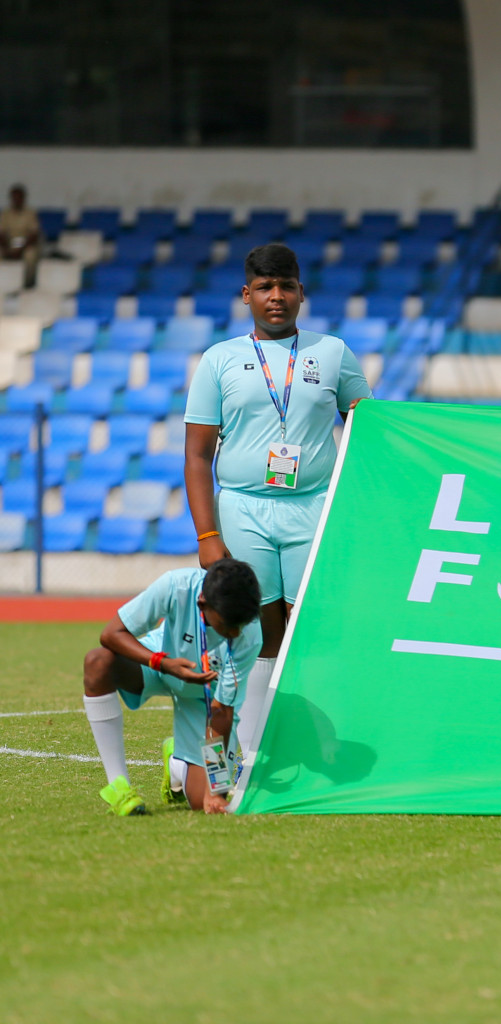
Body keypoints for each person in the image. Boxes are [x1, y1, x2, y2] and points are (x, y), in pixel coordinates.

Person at [183, 243, 372, 765]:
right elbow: (197, 457)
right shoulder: (218, 359)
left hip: (315, 505)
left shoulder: (332, 352)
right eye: (264, 287)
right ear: (247, 294)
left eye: (286, 286)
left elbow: (369, 429)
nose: (276, 297)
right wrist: (207, 535)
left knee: (312, 623)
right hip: (243, 507)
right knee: (259, 626)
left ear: (301, 293)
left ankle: (313, 740)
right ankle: (253, 752)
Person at [82, 559, 262, 816]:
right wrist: (162, 663)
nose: (234, 633)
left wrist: (217, 789)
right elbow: (111, 634)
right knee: (97, 661)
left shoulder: (250, 633)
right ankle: (119, 787)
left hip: (204, 699)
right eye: (225, 626)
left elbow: (221, 711)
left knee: (206, 803)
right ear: (203, 603)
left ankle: (176, 762)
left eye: (240, 626)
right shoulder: (175, 586)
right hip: (158, 662)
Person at [0, 184, 42, 288]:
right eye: (14, 198)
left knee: (30, 255)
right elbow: (1, 233)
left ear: (23, 198)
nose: (16, 200)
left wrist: (20, 250)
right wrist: (6, 249)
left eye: (19, 197)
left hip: (25, 243)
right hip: (9, 243)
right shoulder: (5, 213)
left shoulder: (31, 213)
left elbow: (34, 235)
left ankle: (26, 283)